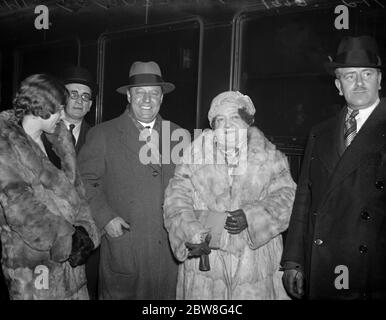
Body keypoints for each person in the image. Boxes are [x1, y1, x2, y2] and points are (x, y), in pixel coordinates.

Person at [163, 91, 296, 299]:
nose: (227, 126)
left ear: (247, 123)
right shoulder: (194, 156)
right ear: (213, 126)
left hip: (255, 264)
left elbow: (287, 196)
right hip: (206, 267)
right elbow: (175, 200)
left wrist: (252, 217)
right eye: (220, 120)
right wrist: (191, 231)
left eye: (235, 118)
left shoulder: (271, 157)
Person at [282, 35, 386, 299]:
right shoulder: (320, 133)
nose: (360, 83)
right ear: (338, 85)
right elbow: (304, 200)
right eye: (350, 76)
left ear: (380, 80)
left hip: (372, 272)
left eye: (367, 74)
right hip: (322, 264)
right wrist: (294, 260)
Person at [78, 61, 187, 299]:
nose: (147, 100)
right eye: (140, 93)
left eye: (154, 93)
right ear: (128, 95)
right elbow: (84, 182)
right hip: (126, 247)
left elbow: (189, 187)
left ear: (162, 97)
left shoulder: (179, 135)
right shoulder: (103, 134)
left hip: (168, 253)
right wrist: (105, 218)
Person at [0, 74, 99, 299]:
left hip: (73, 268)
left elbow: (78, 192)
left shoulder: (59, 141)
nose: (64, 114)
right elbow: (20, 208)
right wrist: (68, 239)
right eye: (60, 108)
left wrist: (85, 230)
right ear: (43, 106)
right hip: (32, 263)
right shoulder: (5, 144)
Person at [60, 65, 99, 299]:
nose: (79, 101)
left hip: (84, 241)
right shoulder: (40, 132)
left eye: (86, 97)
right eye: (73, 94)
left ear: (91, 105)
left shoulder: (97, 137)